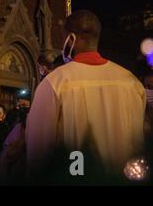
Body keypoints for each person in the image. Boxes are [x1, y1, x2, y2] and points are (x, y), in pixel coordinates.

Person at [26, 10, 146, 184]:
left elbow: (38, 153)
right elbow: (139, 143)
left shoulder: (55, 82)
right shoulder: (131, 83)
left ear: (70, 39)